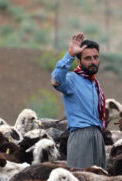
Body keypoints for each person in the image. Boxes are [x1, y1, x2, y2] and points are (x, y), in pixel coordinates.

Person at [51, 32, 107, 169]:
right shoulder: (71, 79)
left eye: (95, 57)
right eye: (88, 58)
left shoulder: (95, 84)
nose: (93, 61)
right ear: (79, 61)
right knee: (81, 180)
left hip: (97, 136)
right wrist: (69, 55)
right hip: (81, 136)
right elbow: (55, 81)